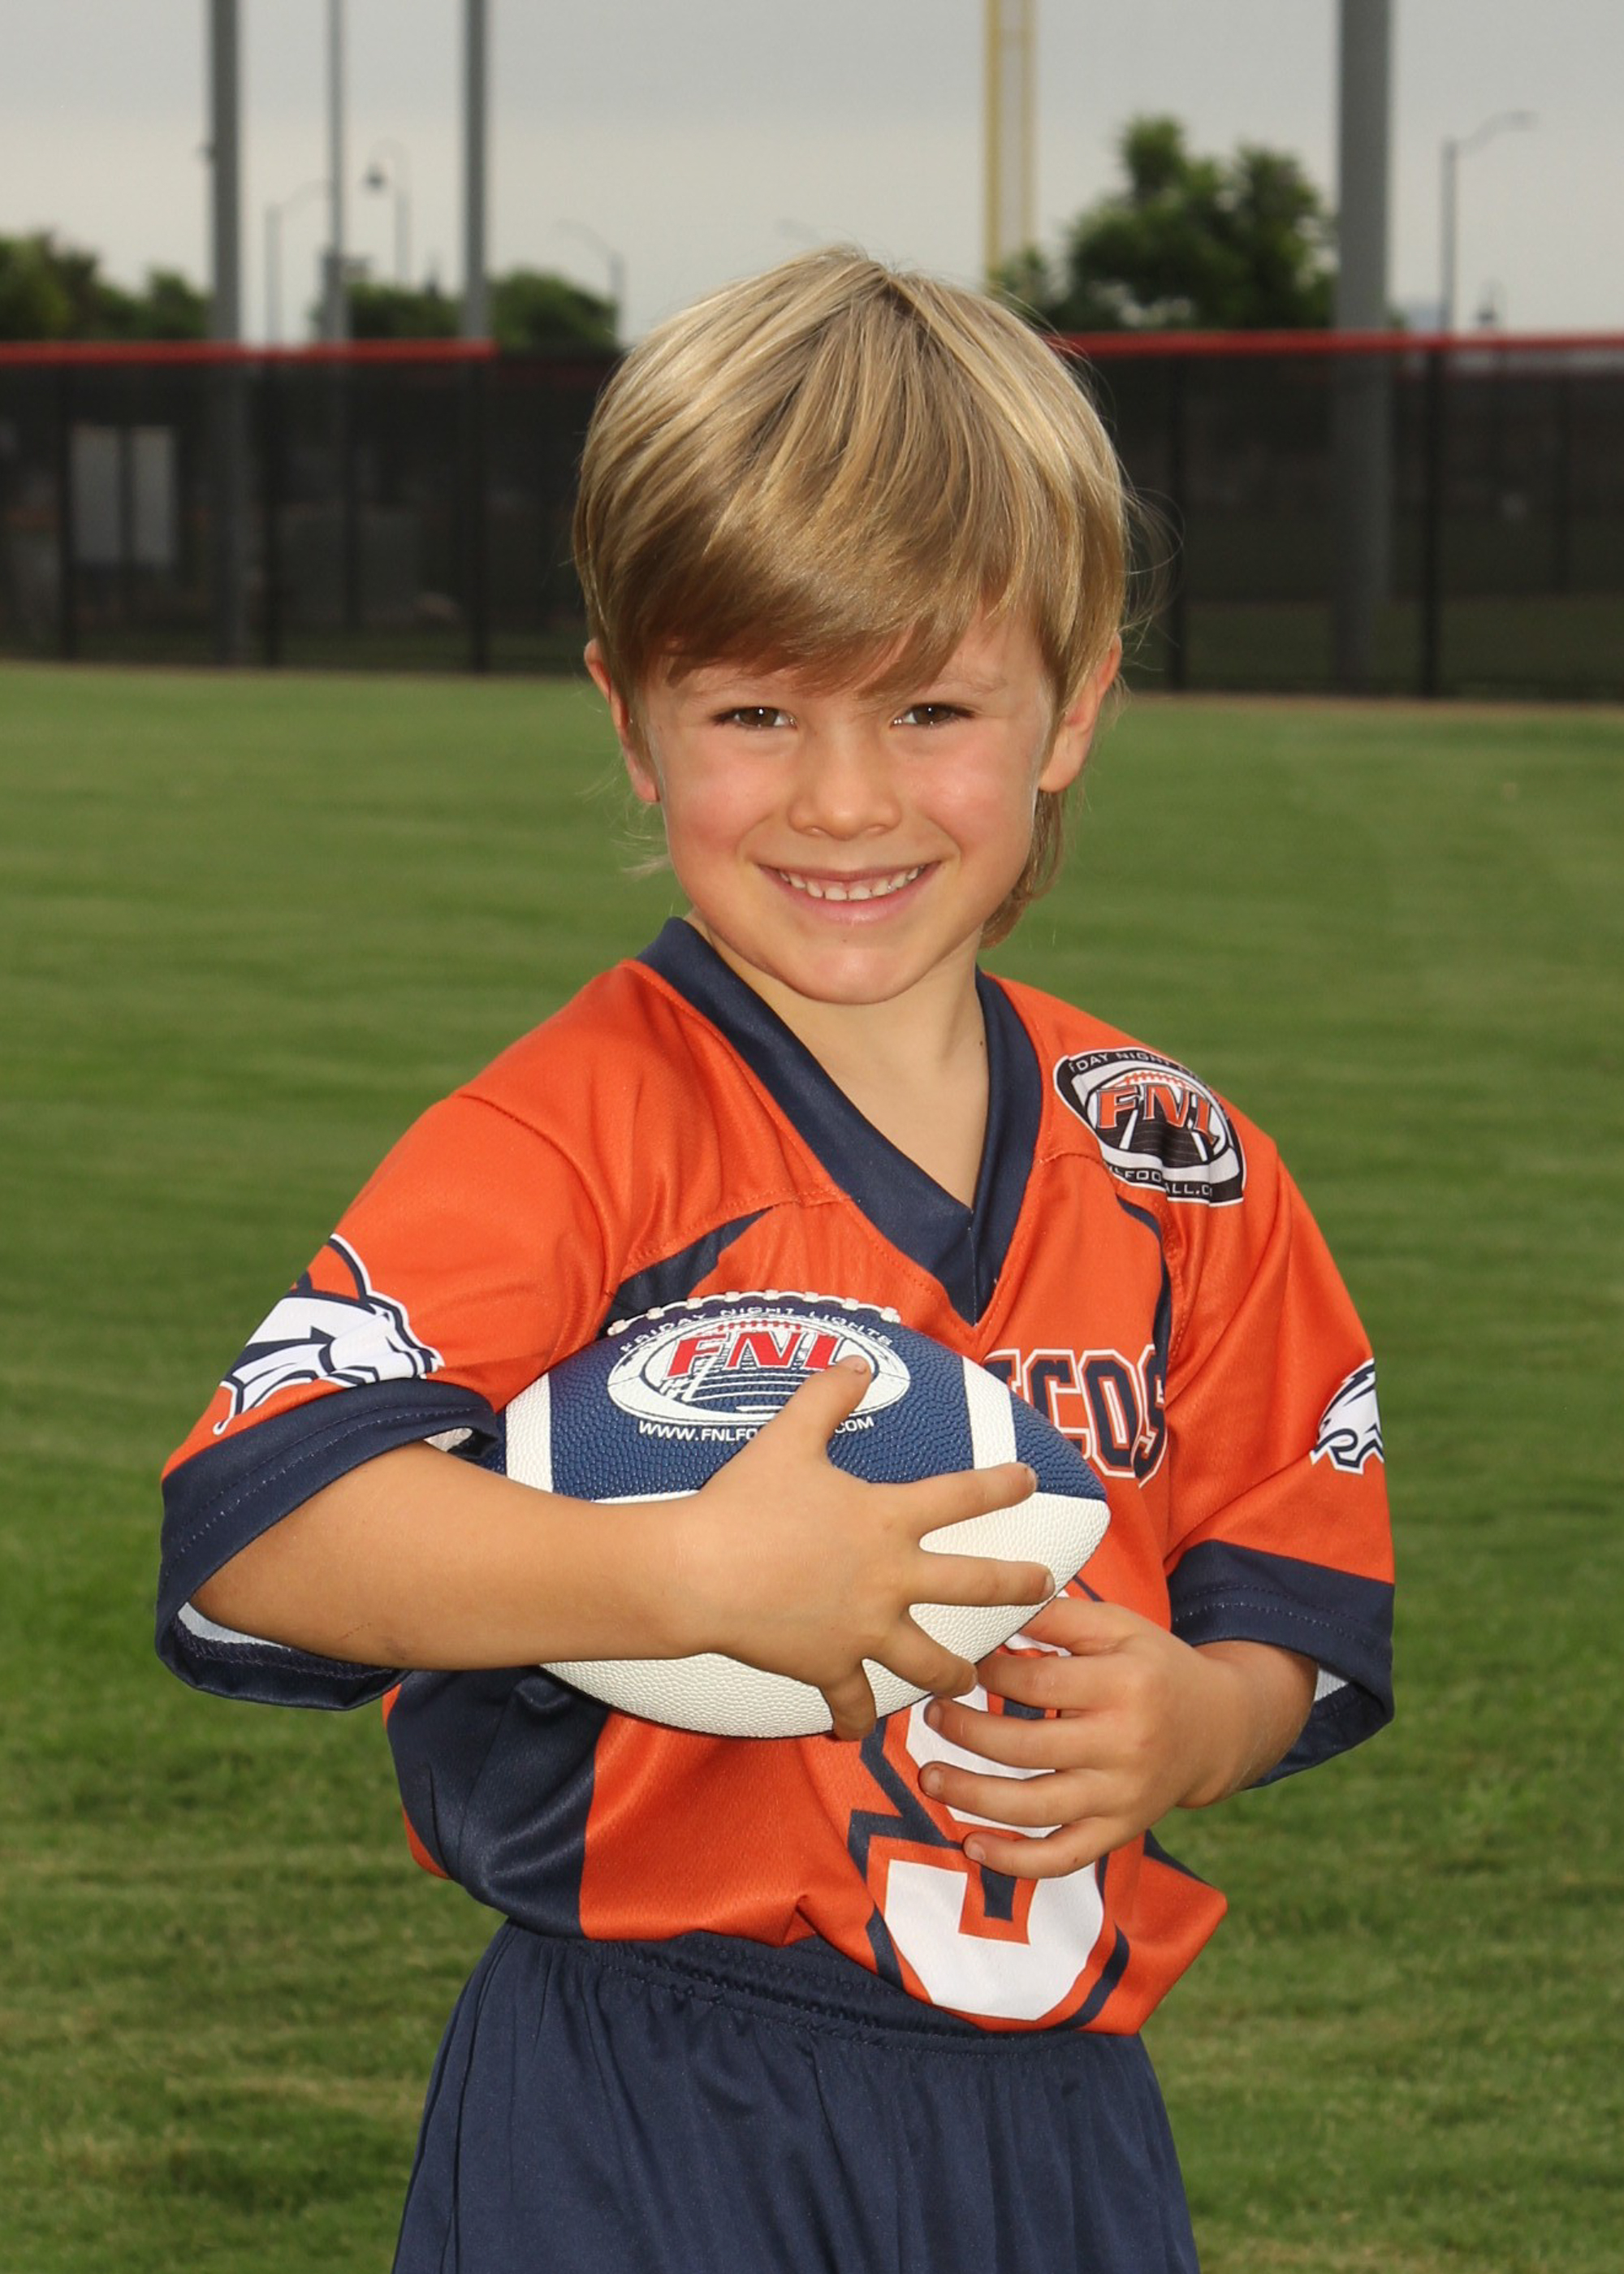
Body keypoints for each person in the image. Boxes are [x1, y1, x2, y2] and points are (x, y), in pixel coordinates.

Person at [157, 251, 1393, 2272]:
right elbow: (257, 1533)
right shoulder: (568, 1137)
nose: (843, 796)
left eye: (929, 706)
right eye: (753, 709)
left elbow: (1296, 1603)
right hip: (644, 2098)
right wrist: (685, 1576)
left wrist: (1198, 1720)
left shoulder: (1180, 1165)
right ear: (632, 722)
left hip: (1057, 2121)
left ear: (1073, 703)